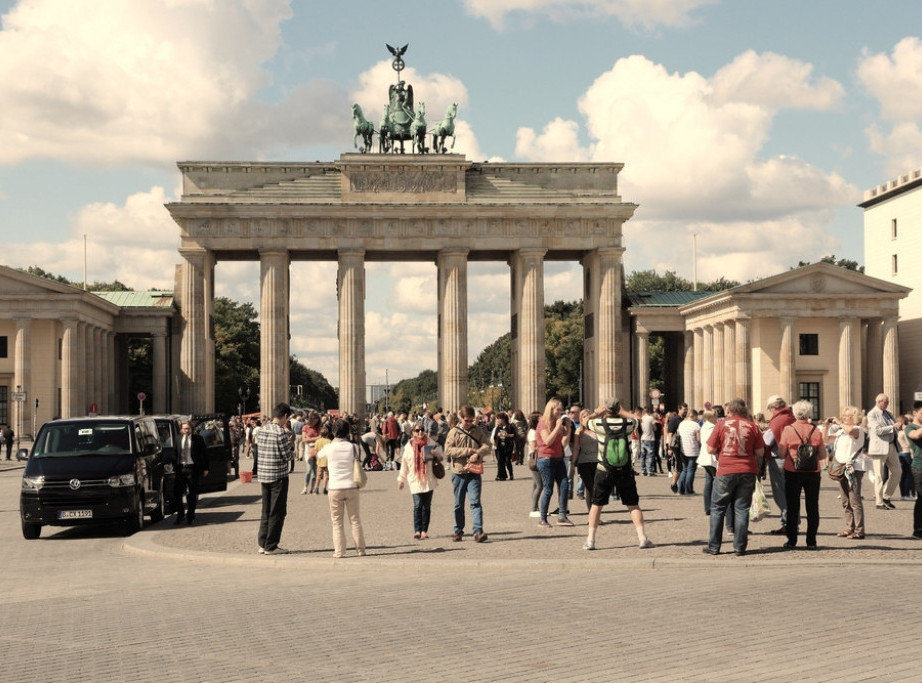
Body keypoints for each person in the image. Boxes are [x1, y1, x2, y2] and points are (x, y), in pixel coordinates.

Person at [584, 398, 653, 551]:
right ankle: (642, 538)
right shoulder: (628, 424)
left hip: (604, 470)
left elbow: (585, 421)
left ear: (606, 410)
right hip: (625, 470)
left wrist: (596, 413)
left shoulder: (598, 424)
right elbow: (638, 419)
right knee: (633, 504)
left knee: (596, 505)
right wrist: (623, 412)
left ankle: (590, 540)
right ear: (618, 409)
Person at [703, 398, 763, 556]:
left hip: (726, 470)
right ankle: (740, 547)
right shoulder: (752, 426)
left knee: (717, 509)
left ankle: (714, 546)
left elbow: (709, 449)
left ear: (730, 411)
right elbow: (760, 452)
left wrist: (720, 450)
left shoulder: (721, 425)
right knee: (742, 509)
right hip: (747, 470)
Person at [779, 400, 826, 550]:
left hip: (792, 471)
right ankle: (811, 541)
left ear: (794, 413)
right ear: (809, 414)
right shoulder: (816, 430)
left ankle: (792, 540)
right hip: (813, 472)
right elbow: (822, 454)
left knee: (793, 507)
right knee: (812, 507)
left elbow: (781, 453)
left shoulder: (788, 429)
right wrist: (809, 460)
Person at [319, 418, 366, 558]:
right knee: (355, 519)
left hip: (334, 487)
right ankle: (361, 549)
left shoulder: (329, 447)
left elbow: (319, 455)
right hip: (351, 485)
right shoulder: (354, 447)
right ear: (348, 432)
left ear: (333, 431)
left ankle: (339, 551)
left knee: (337, 522)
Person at [444, 405, 490, 542]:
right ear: (460, 418)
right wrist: (466, 451)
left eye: (471, 420)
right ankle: (458, 530)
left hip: (474, 471)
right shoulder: (453, 432)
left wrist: (478, 454)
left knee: (475, 502)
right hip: (458, 472)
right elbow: (448, 450)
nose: (469, 423)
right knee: (458, 504)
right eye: (467, 420)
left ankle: (478, 531)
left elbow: (487, 445)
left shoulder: (478, 431)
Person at [255, 403, 294, 555]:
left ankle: (263, 542)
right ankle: (271, 545)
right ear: (284, 416)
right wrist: (291, 451)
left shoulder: (262, 430)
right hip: (278, 476)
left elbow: (258, 450)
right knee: (277, 511)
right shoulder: (280, 433)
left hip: (264, 475)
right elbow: (286, 456)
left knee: (265, 510)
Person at [397, 421, 443, 539]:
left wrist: (435, 454)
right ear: (413, 432)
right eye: (417, 430)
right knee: (418, 505)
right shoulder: (408, 447)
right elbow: (404, 464)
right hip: (415, 479)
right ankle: (417, 530)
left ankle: (424, 531)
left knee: (426, 506)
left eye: (422, 429)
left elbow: (441, 456)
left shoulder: (431, 443)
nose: (420, 432)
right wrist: (401, 479)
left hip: (428, 478)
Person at [825, 406, 866, 539]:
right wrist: (826, 427)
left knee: (855, 500)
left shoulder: (858, 430)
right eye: (843, 415)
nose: (843, 417)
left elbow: (851, 431)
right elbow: (826, 440)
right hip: (840, 467)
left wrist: (839, 423)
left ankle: (859, 530)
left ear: (854, 418)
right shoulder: (841, 431)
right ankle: (849, 527)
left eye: (846, 416)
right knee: (845, 500)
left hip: (853, 468)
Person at [536, 398, 574, 528]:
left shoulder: (556, 423)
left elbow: (564, 442)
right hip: (546, 459)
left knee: (564, 485)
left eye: (561, 410)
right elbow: (547, 441)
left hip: (558, 458)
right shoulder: (543, 424)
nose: (560, 412)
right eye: (558, 409)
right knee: (548, 489)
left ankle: (562, 516)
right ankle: (543, 518)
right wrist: (558, 426)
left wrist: (568, 428)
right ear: (551, 409)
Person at [765, 395, 795, 535]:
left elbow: (766, 441)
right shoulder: (791, 417)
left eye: (770, 409)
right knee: (791, 493)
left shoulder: (777, 421)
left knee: (781, 493)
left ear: (774, 407)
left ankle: (788, 523)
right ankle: (792, 522)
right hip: (793, 459)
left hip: (779, 460)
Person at [867, 393, 901, 510]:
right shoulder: (872, 414)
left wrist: (898, 426)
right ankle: (879, 502)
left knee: (897, 472)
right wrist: (892, 427)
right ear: (879, 402)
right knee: (879, 475)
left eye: (888, 402)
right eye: (885, 402)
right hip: (879, 447)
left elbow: (895, 424)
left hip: (891, 445)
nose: (887, 404)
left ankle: (886, 496)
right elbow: (878, 431)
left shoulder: (888, 413)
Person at [173, 421, 209, 525]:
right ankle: (180, 515)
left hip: (192, 469)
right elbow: (174, 453)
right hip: (180, 469)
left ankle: (190, 515)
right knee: (177, 493)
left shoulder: (197, 439)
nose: (186, 430)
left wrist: (206, 468)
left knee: (192, 494)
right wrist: (175, 466)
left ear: (191, 429)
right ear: (181, 429)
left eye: (188, 428)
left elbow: (204, 454)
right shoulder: (177, 439)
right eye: (184, 428)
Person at [572, 408, 599, 512]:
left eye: (588, 416)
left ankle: (595, 514)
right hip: (584, 463)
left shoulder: (597, 430)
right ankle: (591, 514)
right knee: (589, 488)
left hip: (597, 461)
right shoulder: (578, 431)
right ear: (581, 418)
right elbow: (576, 448)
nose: (586, 419)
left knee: (596, 489)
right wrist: (573, 464)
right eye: (584, 417)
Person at [904, 402, 922, 539]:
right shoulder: (911, 427)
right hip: (919, 466)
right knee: (921, 498)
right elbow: (915, 435)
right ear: (915, 412)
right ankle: (918, 529)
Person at [676, 408, 700, 495]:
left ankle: (680, 490)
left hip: (683, 450)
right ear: (693, 416)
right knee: (690, 470)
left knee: (684, 470)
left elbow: (678, 435)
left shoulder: (681, 424)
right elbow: (698, 439)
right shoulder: (696, 425)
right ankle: (688, 490)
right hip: (693, 450)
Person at [526, 411, 542, 518]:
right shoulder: (532, 432)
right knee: (540, 485)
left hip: (536, 459)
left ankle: (536, 507)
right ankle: (534, 508)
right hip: (534, 459)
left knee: (536, 484)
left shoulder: (535, 431)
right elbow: (533, 448)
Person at [491, 412, 515, 481]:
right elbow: (495, 436)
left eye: (499, 419)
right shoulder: (498, 427)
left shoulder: (510, 426)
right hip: (499, 447)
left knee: (507, 461)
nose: (498, 420)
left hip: (508, 447)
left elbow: (514, 435)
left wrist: (508, 435)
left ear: (503, 419)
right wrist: (498, 435)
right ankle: (500, 475)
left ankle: (511, 474)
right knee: (500, 462)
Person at [639, 406, 656, 475]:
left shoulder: (641, 418)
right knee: (650, 455)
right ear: (649, 411)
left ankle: (643, 470)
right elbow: (655, 428)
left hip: (643, 438)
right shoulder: (651, 418)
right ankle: (650, 471)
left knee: (643, 455)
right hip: (650, 438)